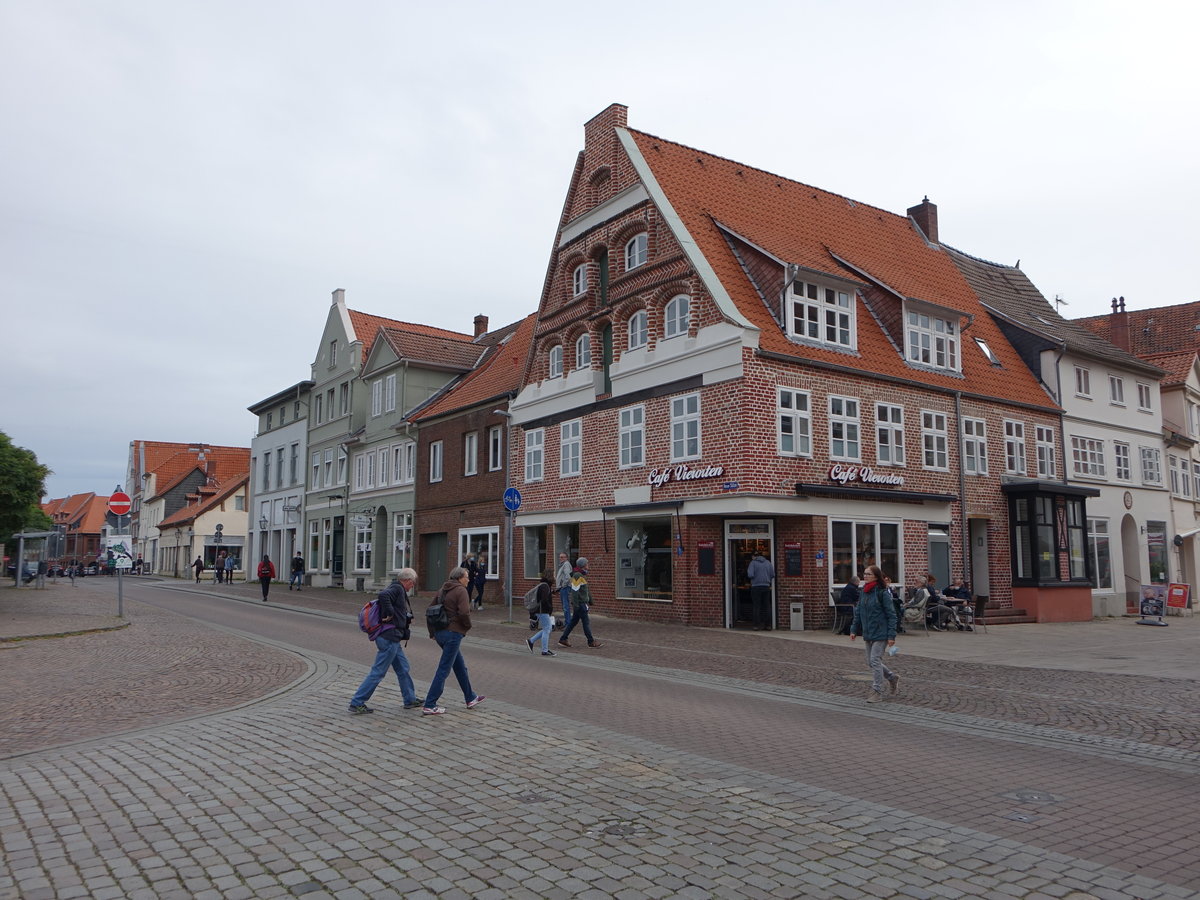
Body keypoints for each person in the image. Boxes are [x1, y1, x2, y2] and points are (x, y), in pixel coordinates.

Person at [349, 568, 424, 714]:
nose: (413, 586)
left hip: (393, 638)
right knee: (378, 671)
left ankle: (410, 699)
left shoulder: (396, 588)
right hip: (389, 638)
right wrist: (390, 612)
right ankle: (357, 702)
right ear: (407, 580)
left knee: (403, 668)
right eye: (413, 583)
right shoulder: (397, 588)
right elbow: (383, 596)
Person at [422, 566, 485, 716]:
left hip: (440, 633)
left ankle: (470, 697)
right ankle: (430, 704)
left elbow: (429, 610)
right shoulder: (461, 590)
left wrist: (432, 633)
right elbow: (464, 612)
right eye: (467, 576)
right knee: (444, 669)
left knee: (459, 666)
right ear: (459, 578)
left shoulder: (443, 589)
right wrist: (467, 626)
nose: (469, 579)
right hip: (453, 633)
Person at [850, 564, 899, 702]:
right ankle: (891, 677)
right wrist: (854, 629)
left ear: (876, 577)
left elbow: (891, 615)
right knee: (870, 662)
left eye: (868, 574)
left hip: (881, 631)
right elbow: (858, 612)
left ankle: (877, 691)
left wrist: (891, 635)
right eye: (864, 574)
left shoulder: (882, 593)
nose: (865, 576)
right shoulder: (864, 592)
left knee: (875, 660)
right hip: (868, 631)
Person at [558, 557, 602, 649]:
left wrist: (590, 600)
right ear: (583, 566)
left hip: (580, 604)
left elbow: (585, 590)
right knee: (586, 623)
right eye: (587, 564)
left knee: (573, 622)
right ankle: (591, 642)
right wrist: (577, 605)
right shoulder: (578, 575)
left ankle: (563, 639)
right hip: (580, 604)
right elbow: (575, 591)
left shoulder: (581, 575)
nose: (588, 566)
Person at [524, 568, 557, 656]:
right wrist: (550, 607)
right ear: (550, 576)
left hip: (541, 610)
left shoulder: (544, 585)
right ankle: (544, 650)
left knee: (547, 628)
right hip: (543, 610)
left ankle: (531, 641)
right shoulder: (545, 586)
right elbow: (544, 599)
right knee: (547, 629)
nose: (554, 576)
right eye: (553, 575)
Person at [746, 551, 775, 630]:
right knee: (767, 606)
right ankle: (768, 625)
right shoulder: (768, 563)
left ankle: (756, 625)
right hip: (766, 586)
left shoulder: (753, 563)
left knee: (756, 606)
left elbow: (750, 575)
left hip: (756, 586)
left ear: (754, 556)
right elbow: (772, 574)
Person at [555, 551, 573, 632]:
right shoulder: (563, 565)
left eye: (562, 557)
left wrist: (563, 585)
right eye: (560, 557)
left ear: (566, 558)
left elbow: (567, 576)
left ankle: (568, 624)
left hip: (565, 588)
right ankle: (567, 623)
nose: (560, 558)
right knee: (565, 606)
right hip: (563, 588)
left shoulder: (566, 564)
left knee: (566, 607)